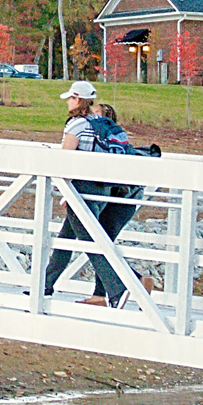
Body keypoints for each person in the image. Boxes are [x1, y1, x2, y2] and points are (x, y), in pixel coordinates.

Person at [43, 79, 133, 309]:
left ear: (78, 99)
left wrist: (61, 186)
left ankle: (119, 288)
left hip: (82, 188)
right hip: (102, 186)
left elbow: (66, 158)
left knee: (91, 241)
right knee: (67, 237)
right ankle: (45, 283)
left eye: (71, 98)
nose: (68, 103)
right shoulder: (98, 122)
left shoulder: (76, 124)